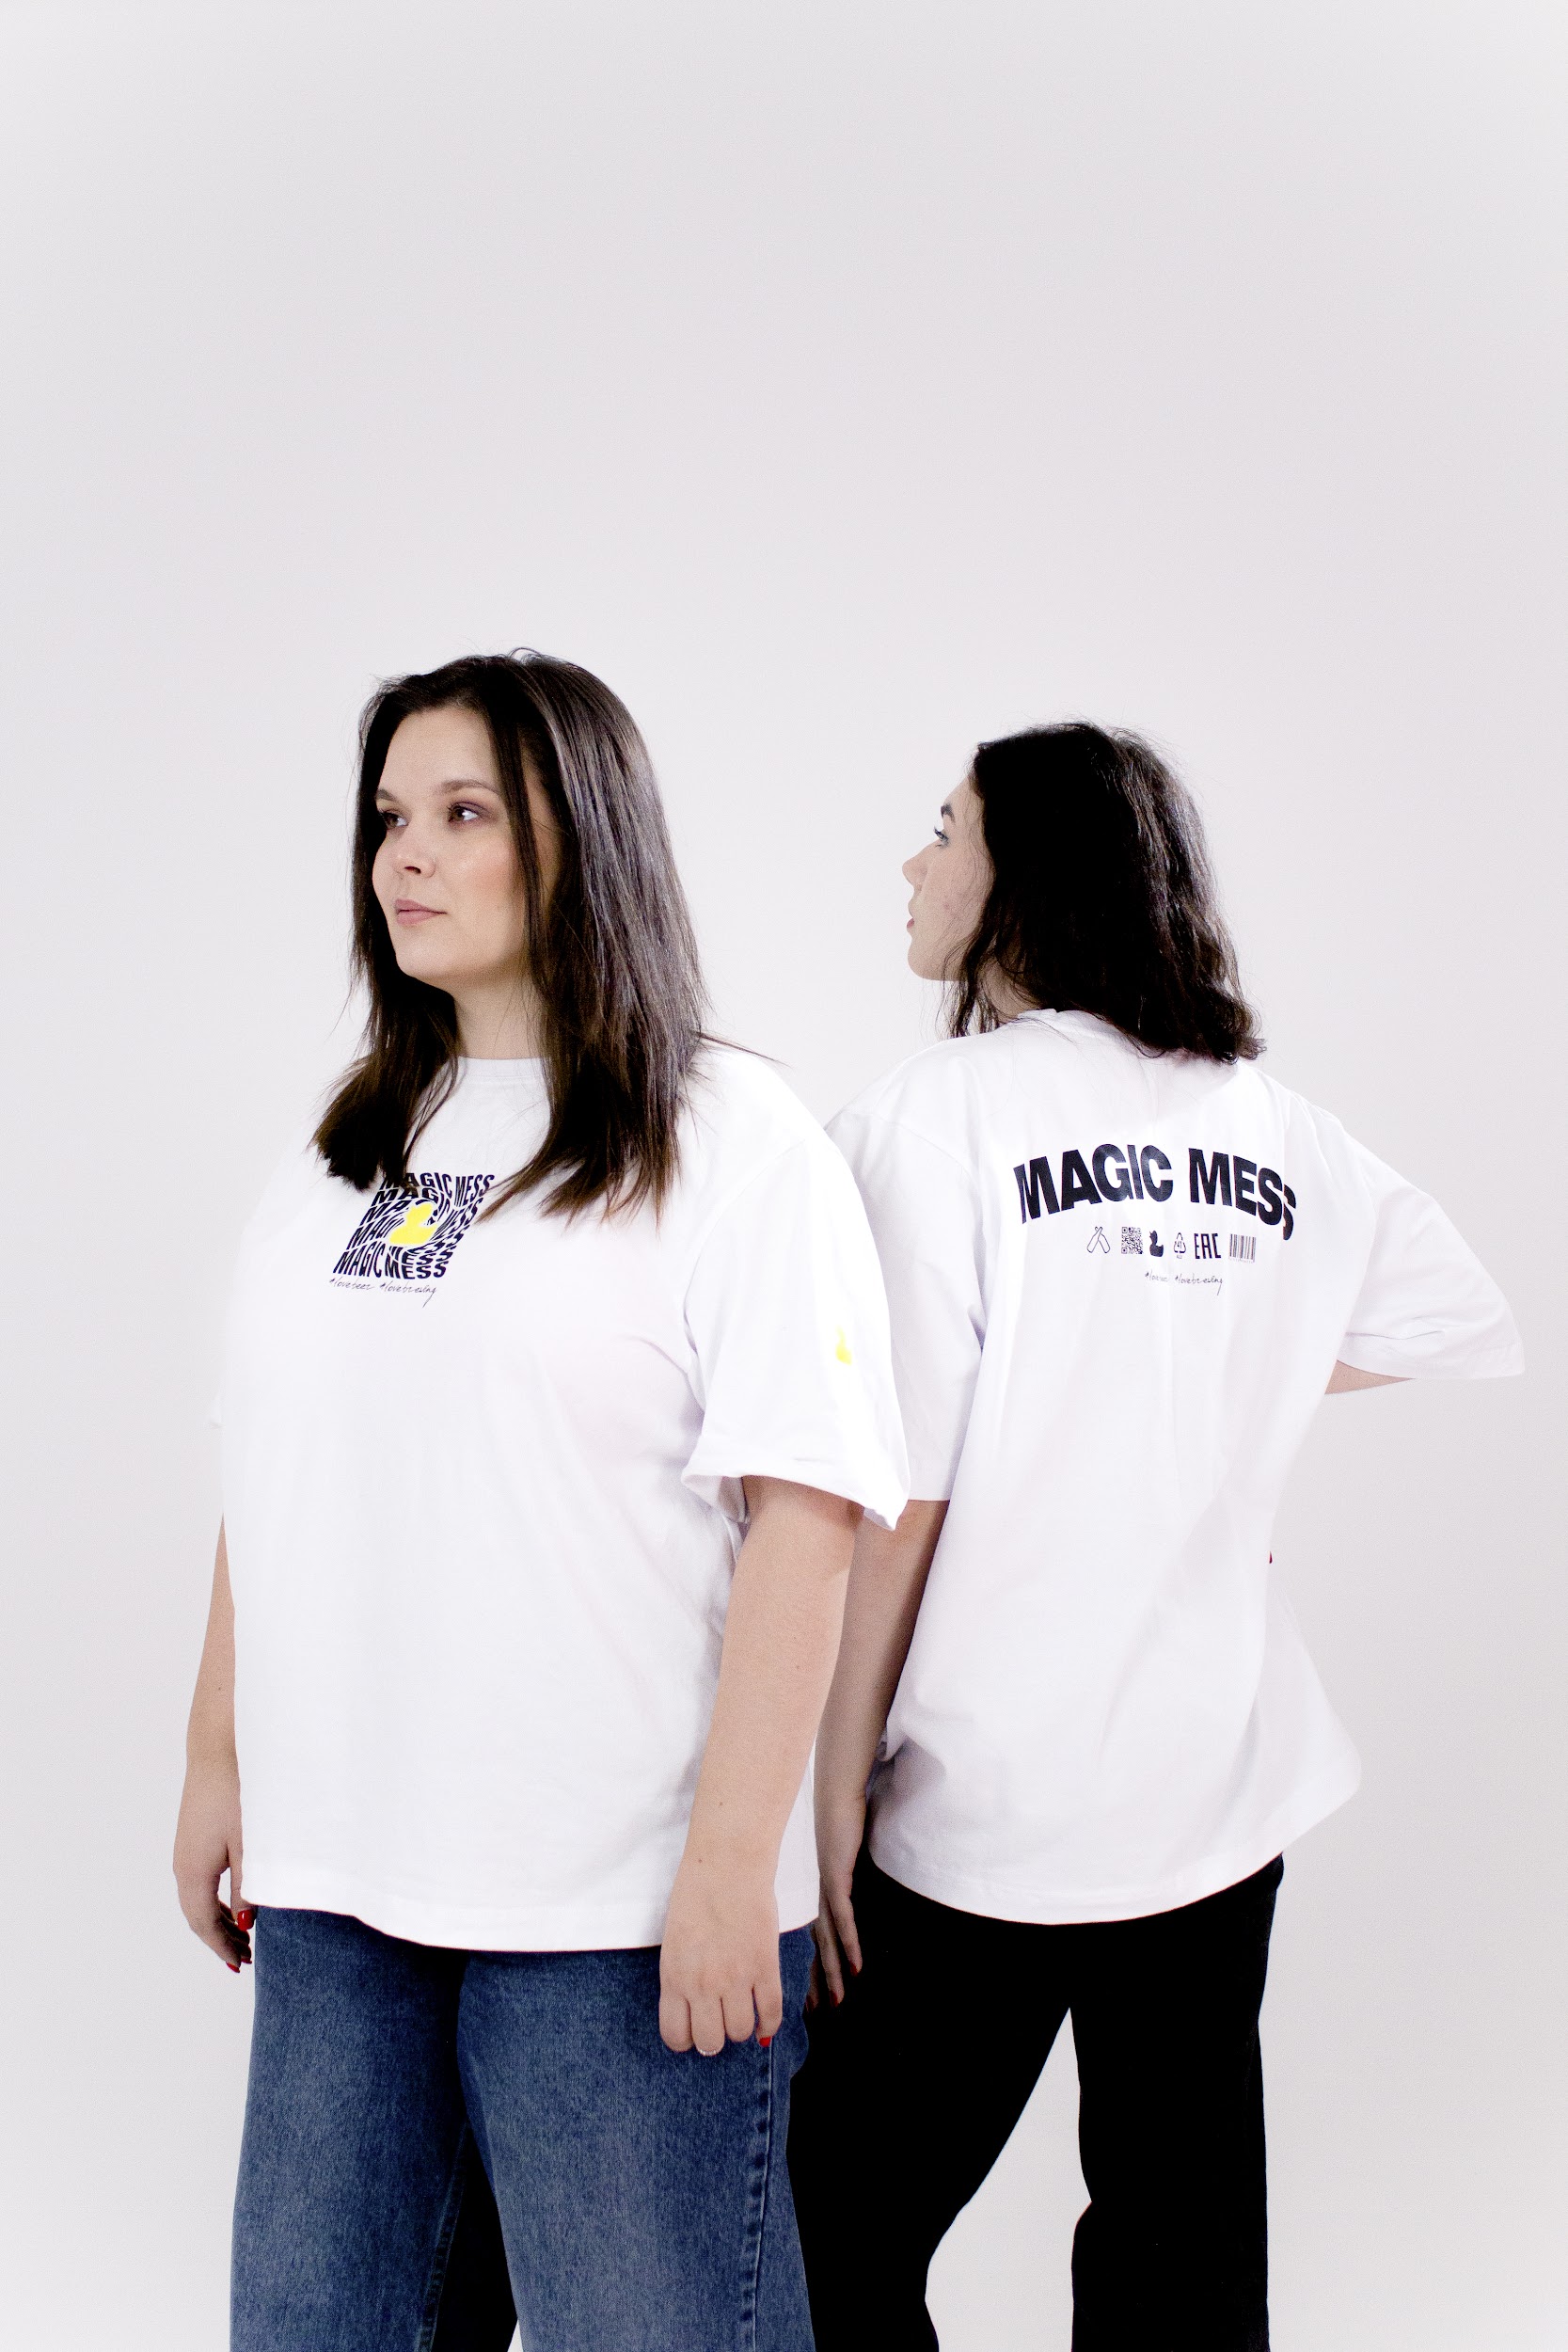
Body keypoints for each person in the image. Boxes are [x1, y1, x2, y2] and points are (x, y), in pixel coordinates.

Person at [173, 652, 908, 2352]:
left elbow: (810, 1514)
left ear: (580, 838)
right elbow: (271, 1466)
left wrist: (733, 1857)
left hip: (612, 1910)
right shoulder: (350, 1148)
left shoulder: (727, 1139)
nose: (404, 858)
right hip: (343, 1894)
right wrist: (217, 1759)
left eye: (463, 813)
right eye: (388, 818)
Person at [787, 723, 1521, 2351]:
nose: (915, 863)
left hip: (987, 1806)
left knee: (827, 2229)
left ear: (1026, 876)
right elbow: (1450, 1309)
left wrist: (830, 1785)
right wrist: (1198, 1363)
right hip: (1215, 1789)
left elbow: (897, 1496)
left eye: (945, 831)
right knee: (1179, 2269)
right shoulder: (1273, 1124)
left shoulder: (931, 1119)